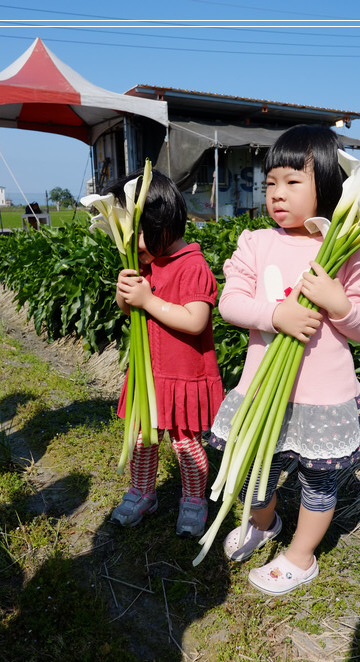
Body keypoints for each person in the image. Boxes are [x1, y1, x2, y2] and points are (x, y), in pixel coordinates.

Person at [209, 125, 360, 596]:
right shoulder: (256, 242)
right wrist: (276, 314)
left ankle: (300, 555)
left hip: (322, 399)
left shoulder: (350, 248)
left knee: (319, 482)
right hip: (263, 392)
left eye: (292, 181)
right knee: (255, 468)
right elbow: (230, 302)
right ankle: (263, 524)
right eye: (270, 183)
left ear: (328, 185)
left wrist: (339, 303)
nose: (277, 194)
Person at [109, 168, 224, 537]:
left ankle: (194, 500)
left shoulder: (193, 265)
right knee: (142, 437)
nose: (132, 240)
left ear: (164, 222)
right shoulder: (144, 264)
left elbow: (194, 320)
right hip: (149, 375)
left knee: (185, 444)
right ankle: (142, 492)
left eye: (137, 230)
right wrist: (125, 296)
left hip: (183, 376)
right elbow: (131, 312)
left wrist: (148, 298)